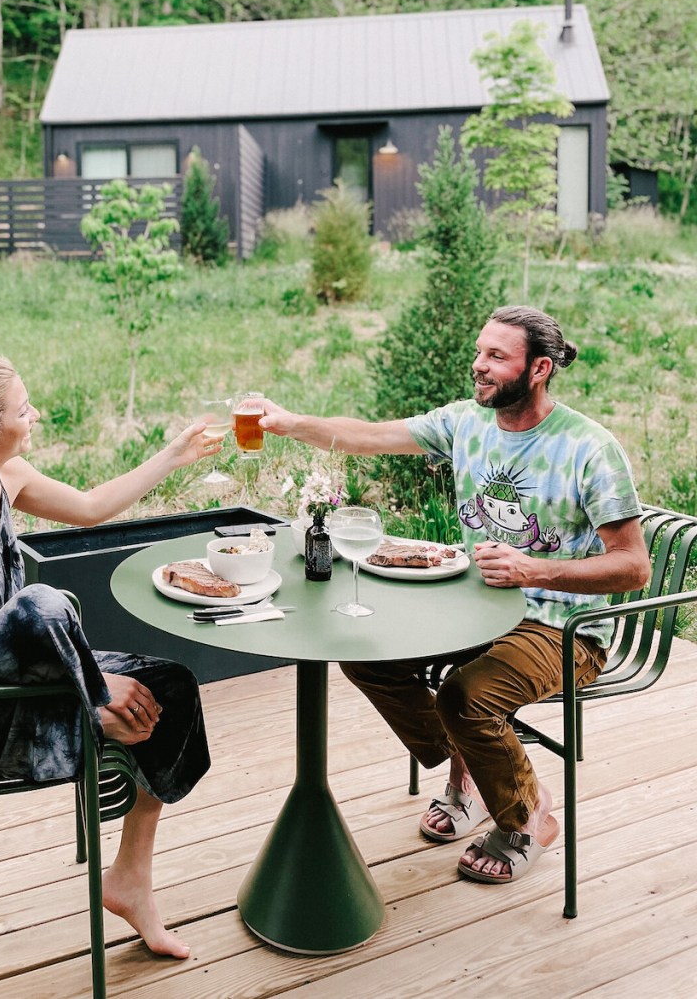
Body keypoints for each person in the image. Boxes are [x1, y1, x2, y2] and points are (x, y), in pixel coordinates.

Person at [260, 305, 649, 884]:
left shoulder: (589, 448)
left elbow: (633, 567)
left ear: (539, 369)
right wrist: (290, 422)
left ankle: (526, 817)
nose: (478, 366)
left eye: (496, 356)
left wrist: (532, 570)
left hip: (562, 626)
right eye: (479, 351)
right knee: (364, 653)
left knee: (466, 697)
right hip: (472, 610)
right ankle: (475, 772)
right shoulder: (465, 422)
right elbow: (368, 438)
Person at [0, 355, 219, 957]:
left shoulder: (2, 476)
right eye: (22, 408)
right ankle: (97, 702)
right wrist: (93, 699)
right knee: (42, 602)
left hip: (14, 677)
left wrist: (174, 455)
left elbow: (90, 507)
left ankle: (131, 879)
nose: (34, 414)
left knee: (172, 685)